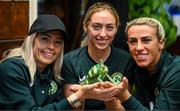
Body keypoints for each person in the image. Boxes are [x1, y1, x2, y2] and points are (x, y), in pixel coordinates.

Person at [0, 14, 122, 110]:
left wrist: (84, 95)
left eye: (58, 42)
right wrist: (79, 95)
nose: (51, 46)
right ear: (32, 40)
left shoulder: (54, 70)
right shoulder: (12, 68)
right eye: (44, 39)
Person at [61, 2, 134, 110]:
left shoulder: (125, 59)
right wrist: (84, 94)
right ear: (86, 27)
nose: (103, 34)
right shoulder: (70, 60)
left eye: (109, 27)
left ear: (116, 29)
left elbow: (124, 108)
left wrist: (107, 96)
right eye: (96, 27)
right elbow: (72, 107)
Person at [116, 17, 180, 110]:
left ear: (161, 43)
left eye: (146, 40)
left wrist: (125, 96)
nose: (138, 47)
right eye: (133, 41)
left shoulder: (176, 71)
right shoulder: (140, 68)